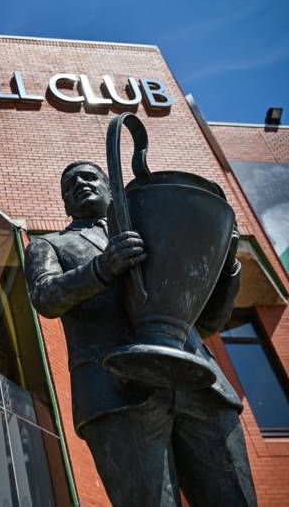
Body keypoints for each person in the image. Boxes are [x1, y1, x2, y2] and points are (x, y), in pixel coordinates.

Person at [24, 160, 257, 507]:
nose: (79, 185)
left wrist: (226, 266)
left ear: (110, 186)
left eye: (89, 177)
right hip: (115, 391)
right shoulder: (51, 245)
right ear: (65, 203)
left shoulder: (157, 228)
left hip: (198, 385)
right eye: (69, 185)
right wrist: (102, 268)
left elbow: (206, 323)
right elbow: (46, 297)